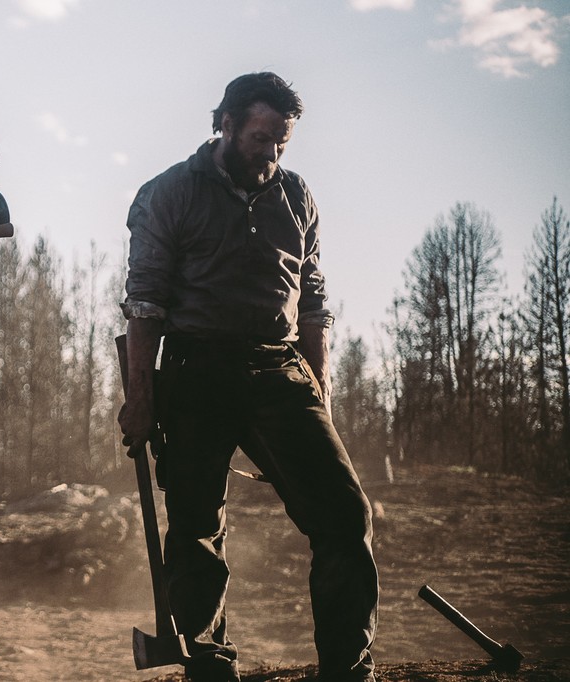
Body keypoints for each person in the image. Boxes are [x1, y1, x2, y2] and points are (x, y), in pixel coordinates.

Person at [118, 72, 379, 682]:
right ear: (227, 125)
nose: (271, 153)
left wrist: (321, 391)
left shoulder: (297, 195)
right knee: (196, 529)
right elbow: (145, 304)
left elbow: (312, 301)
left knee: (346, 517)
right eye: (261, 138)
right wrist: (141, 398)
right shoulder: (169, 193)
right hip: (195, 371)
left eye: (282, 143)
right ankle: (208, 664)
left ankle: (348, 669)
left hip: (280, 371)